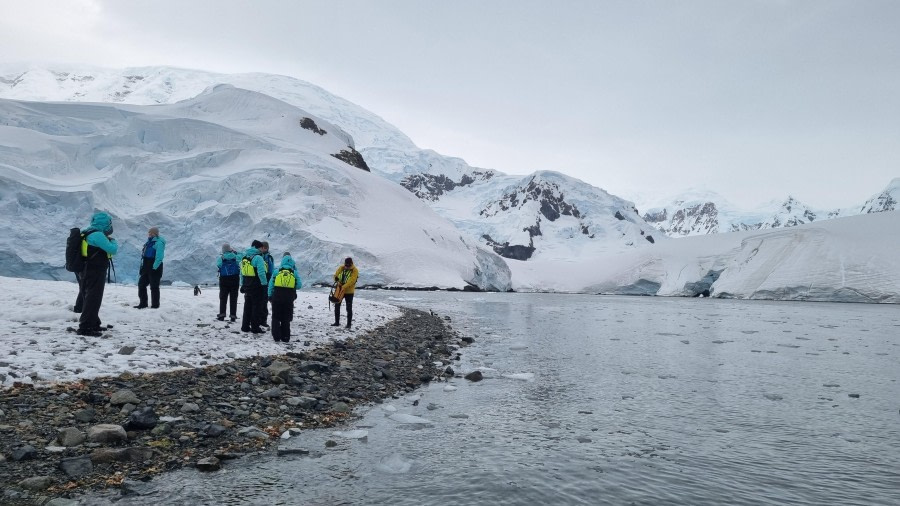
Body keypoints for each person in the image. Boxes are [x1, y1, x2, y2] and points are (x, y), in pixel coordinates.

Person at [78, 212, 119, 336]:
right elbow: (112, 249)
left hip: (86, 269)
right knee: (93, 298)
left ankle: (94, 323)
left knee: (89, 296)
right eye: (109, 223)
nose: (110, 226)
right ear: (104, 223)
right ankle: (86, 327)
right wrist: (113, 241)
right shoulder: (97, 235)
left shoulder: (86, 232)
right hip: (94, 270)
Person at [268, 252, 301, 342]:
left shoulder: (276, 271)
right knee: (286, 317)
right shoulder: (294, 272)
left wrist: (269, 295)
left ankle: (276, 336)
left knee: (276, 316)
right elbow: (299, 285)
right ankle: (285, 337)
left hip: (277, 296)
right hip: (289, 297)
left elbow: (271, 285)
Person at [240, 240, 268, 334]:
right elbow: (261, 273)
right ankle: (255, 327)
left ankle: (245, 326)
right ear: (257, 247)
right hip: (257, 286)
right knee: (256, 307)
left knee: (247, 307)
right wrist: (264, 285)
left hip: (247, 285)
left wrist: (242, 284)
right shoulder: (258, 258)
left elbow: (242, 273)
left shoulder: (245, 257)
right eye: (260, 247)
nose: (261, 249)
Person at [135, 227, 166, 309]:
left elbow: (159, 256)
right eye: (149, 233)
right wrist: (143, 267)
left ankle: (155, 305)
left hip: (154, 266)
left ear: (155, 233)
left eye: (151, 233)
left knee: (154, 286)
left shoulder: (159, 242)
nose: (149, 234)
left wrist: (154, 267)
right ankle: (143, 303)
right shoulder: (149, 242)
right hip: (146, 265)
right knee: (141, 284)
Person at [332, 257, 358, 329]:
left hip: (349, 292)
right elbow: (335, 276)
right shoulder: (341, 268)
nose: (347, 266)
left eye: (348, 265)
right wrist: (337, 281)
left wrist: (344, 286)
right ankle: (337, 322)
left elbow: (352, 281)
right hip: (339, 289)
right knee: (337, 305)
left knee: (348, 308)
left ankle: (349, 324)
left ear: (351, 263)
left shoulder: (355, 270)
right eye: (346, 265)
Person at [216, 243, 241, 321]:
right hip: (235, 279)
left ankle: (222, 315)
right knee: (233, 298)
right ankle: (233, 315)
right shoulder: (236, 257)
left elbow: (219, 265)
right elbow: (242, 258)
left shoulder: (221, 258)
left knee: (223, 297)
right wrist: (235, 252)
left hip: (224, 279)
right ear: (230, 249)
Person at [259, 241, 274, 328]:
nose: (263, 249)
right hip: (260, 280)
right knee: (259, 301)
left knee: (264, 301)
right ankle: (259, 319)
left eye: (264, 247)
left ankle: (263, 320)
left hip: (266, 280)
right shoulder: (259, 256)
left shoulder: (269, 257)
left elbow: (271, 270)